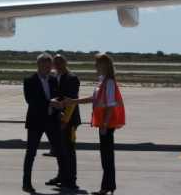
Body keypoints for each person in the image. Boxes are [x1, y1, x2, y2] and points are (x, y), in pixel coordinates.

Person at [58, 53, 124, 195]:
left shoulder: (109, 82)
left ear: (104, 65)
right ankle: (108, 186)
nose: (95, 66)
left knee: (107, 156)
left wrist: (105, 125)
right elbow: (93, 99)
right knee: (106, 155)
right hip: (103, 124)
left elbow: (111, 105)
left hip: (107, 124)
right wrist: (73, 101)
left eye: (97, 64)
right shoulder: (102, 81)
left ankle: (107, 187)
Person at [22, 53, 69, 193]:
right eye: (45, 66)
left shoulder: (53, 79)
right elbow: (31, 101)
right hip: (36, 122)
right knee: (31, 153)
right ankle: (26, 183)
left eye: (49, 66)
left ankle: (64, 180)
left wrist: (60, 109)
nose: (48, 69)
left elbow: (58, 97)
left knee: (60, 151)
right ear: (38, 65)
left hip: (52, 121)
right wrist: (50, 103)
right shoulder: (29, 80)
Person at [47, 54, 80, 191]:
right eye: (55, 62)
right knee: (60, 150)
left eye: (60, 62)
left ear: (66, 63)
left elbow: (71, 101)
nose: (58, 65)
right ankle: (61, 176)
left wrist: (65, 120)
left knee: (69, 150)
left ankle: (71, 180)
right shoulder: (54, 77)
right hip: (57, 119)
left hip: (69, 120)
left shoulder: (72, 78)